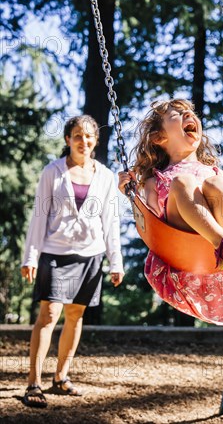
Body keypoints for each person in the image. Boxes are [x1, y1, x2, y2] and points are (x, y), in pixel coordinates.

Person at [118, 98, 223, 328]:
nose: (189, 116)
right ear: (159, 137)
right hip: (181, 242)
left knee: (216, 184)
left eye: (190, 112)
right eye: (178, 113)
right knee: (183, 182)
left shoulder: (213, 171)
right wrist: (129, 193)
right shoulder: (156, 180)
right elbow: (150, 219)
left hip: (222, 248)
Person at [21, 115, 124, 408]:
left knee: (75, 316)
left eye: (89, 136)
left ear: (96, 141)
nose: (84, 141)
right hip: (55, 252)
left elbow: (110, 221)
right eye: (77, 136)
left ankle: (61, 377)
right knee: (49, 315)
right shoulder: (52, 172)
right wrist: (31, 256)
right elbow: (39, 216)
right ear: (67, 139)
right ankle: (33, 383)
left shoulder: (105, 175)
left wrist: (115, 261)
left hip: (90, 255)